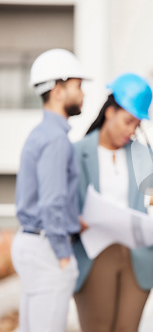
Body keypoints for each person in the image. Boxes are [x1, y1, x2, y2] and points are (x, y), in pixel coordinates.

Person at [72, 73, 153, 332]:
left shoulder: (142, 153)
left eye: (137, 124)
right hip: (95, 254)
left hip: (135, 257)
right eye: (127, 121)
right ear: (110, 112)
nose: (132, 130)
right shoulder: (78, 152)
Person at [11, 48, 87, 332]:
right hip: (47, 248)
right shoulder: (56, 139)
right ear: (58, 89)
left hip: (32, 242)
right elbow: (52, 201)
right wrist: (63, 255)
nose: (83, 94)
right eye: (78, 86)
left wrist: (73, 221)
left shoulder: (40, 133)